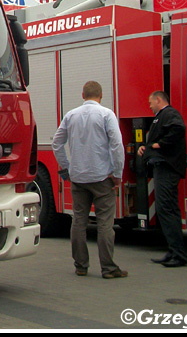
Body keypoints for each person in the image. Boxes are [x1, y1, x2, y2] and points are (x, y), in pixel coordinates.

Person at [53, 81, 127, 279]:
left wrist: (66, 167)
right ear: (100, 95)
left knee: (78, 221)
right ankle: (109, 268)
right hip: (102, 177)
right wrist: (117, 174)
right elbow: (117, 145)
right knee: (105, 223)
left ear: (82, 94)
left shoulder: (71, 115)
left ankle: (81, 265)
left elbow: (56, 143)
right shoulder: (106, 114)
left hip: (78, 178)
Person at [138, 90, 187, 267]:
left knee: (166, 208)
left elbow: (178, 129)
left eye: (151, 103)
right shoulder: (163, 116)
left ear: (159, 100)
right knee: (167, 209)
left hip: (167, 168)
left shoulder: (169, 114)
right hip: (163, 167)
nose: (150, 107)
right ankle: (173, 251)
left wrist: (159, 145)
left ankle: (178, 254)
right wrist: (147, 148)